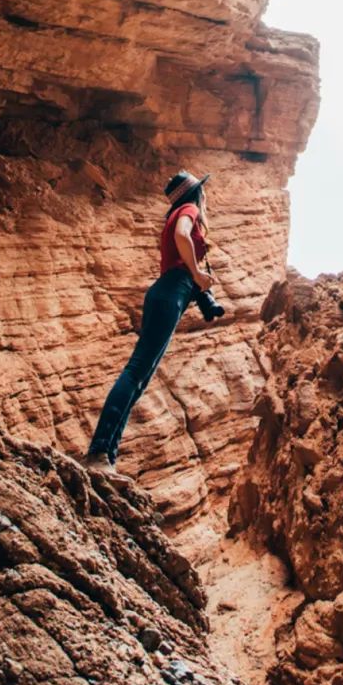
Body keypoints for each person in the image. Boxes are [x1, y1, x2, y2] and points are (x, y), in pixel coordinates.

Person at [85, 169, 225, 471]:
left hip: (168, 293)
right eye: (203, 190)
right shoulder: (189, 209)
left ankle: (107, 457)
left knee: (140, 379)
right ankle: (97, 452)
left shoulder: (177, 212)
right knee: (136, 371)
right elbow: (182, 235)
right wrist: (198, 273)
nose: (206, 195)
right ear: (195, 193)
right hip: (170, 290)